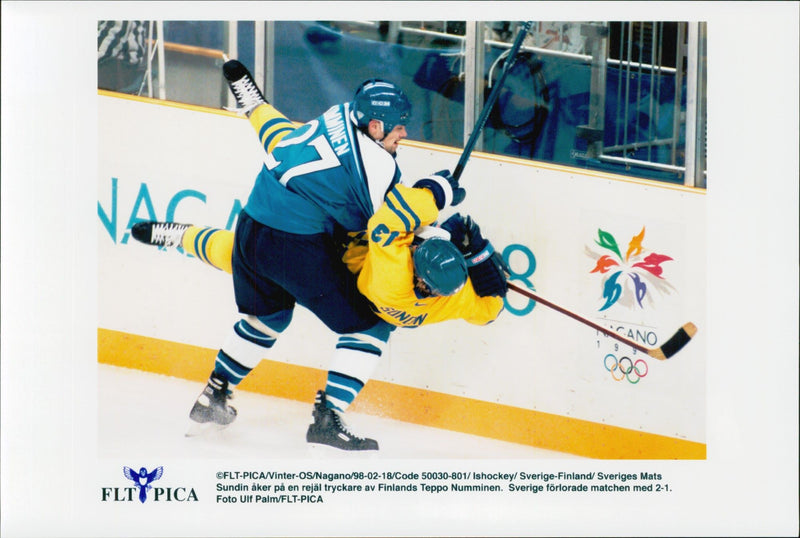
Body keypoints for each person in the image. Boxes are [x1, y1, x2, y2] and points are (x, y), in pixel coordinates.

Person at [149, 59, 468, 451]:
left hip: (252, 229)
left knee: (267, 318)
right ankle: (328, 419)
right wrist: (440, 192)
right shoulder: (375, 163)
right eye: (399, 125)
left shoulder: (336, 116)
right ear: (375, 127)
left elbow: (279, 134)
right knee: (371, 324)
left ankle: (213, 395)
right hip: (293, 245)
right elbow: (390, 222)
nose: (405, 132)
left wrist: (254, 105)